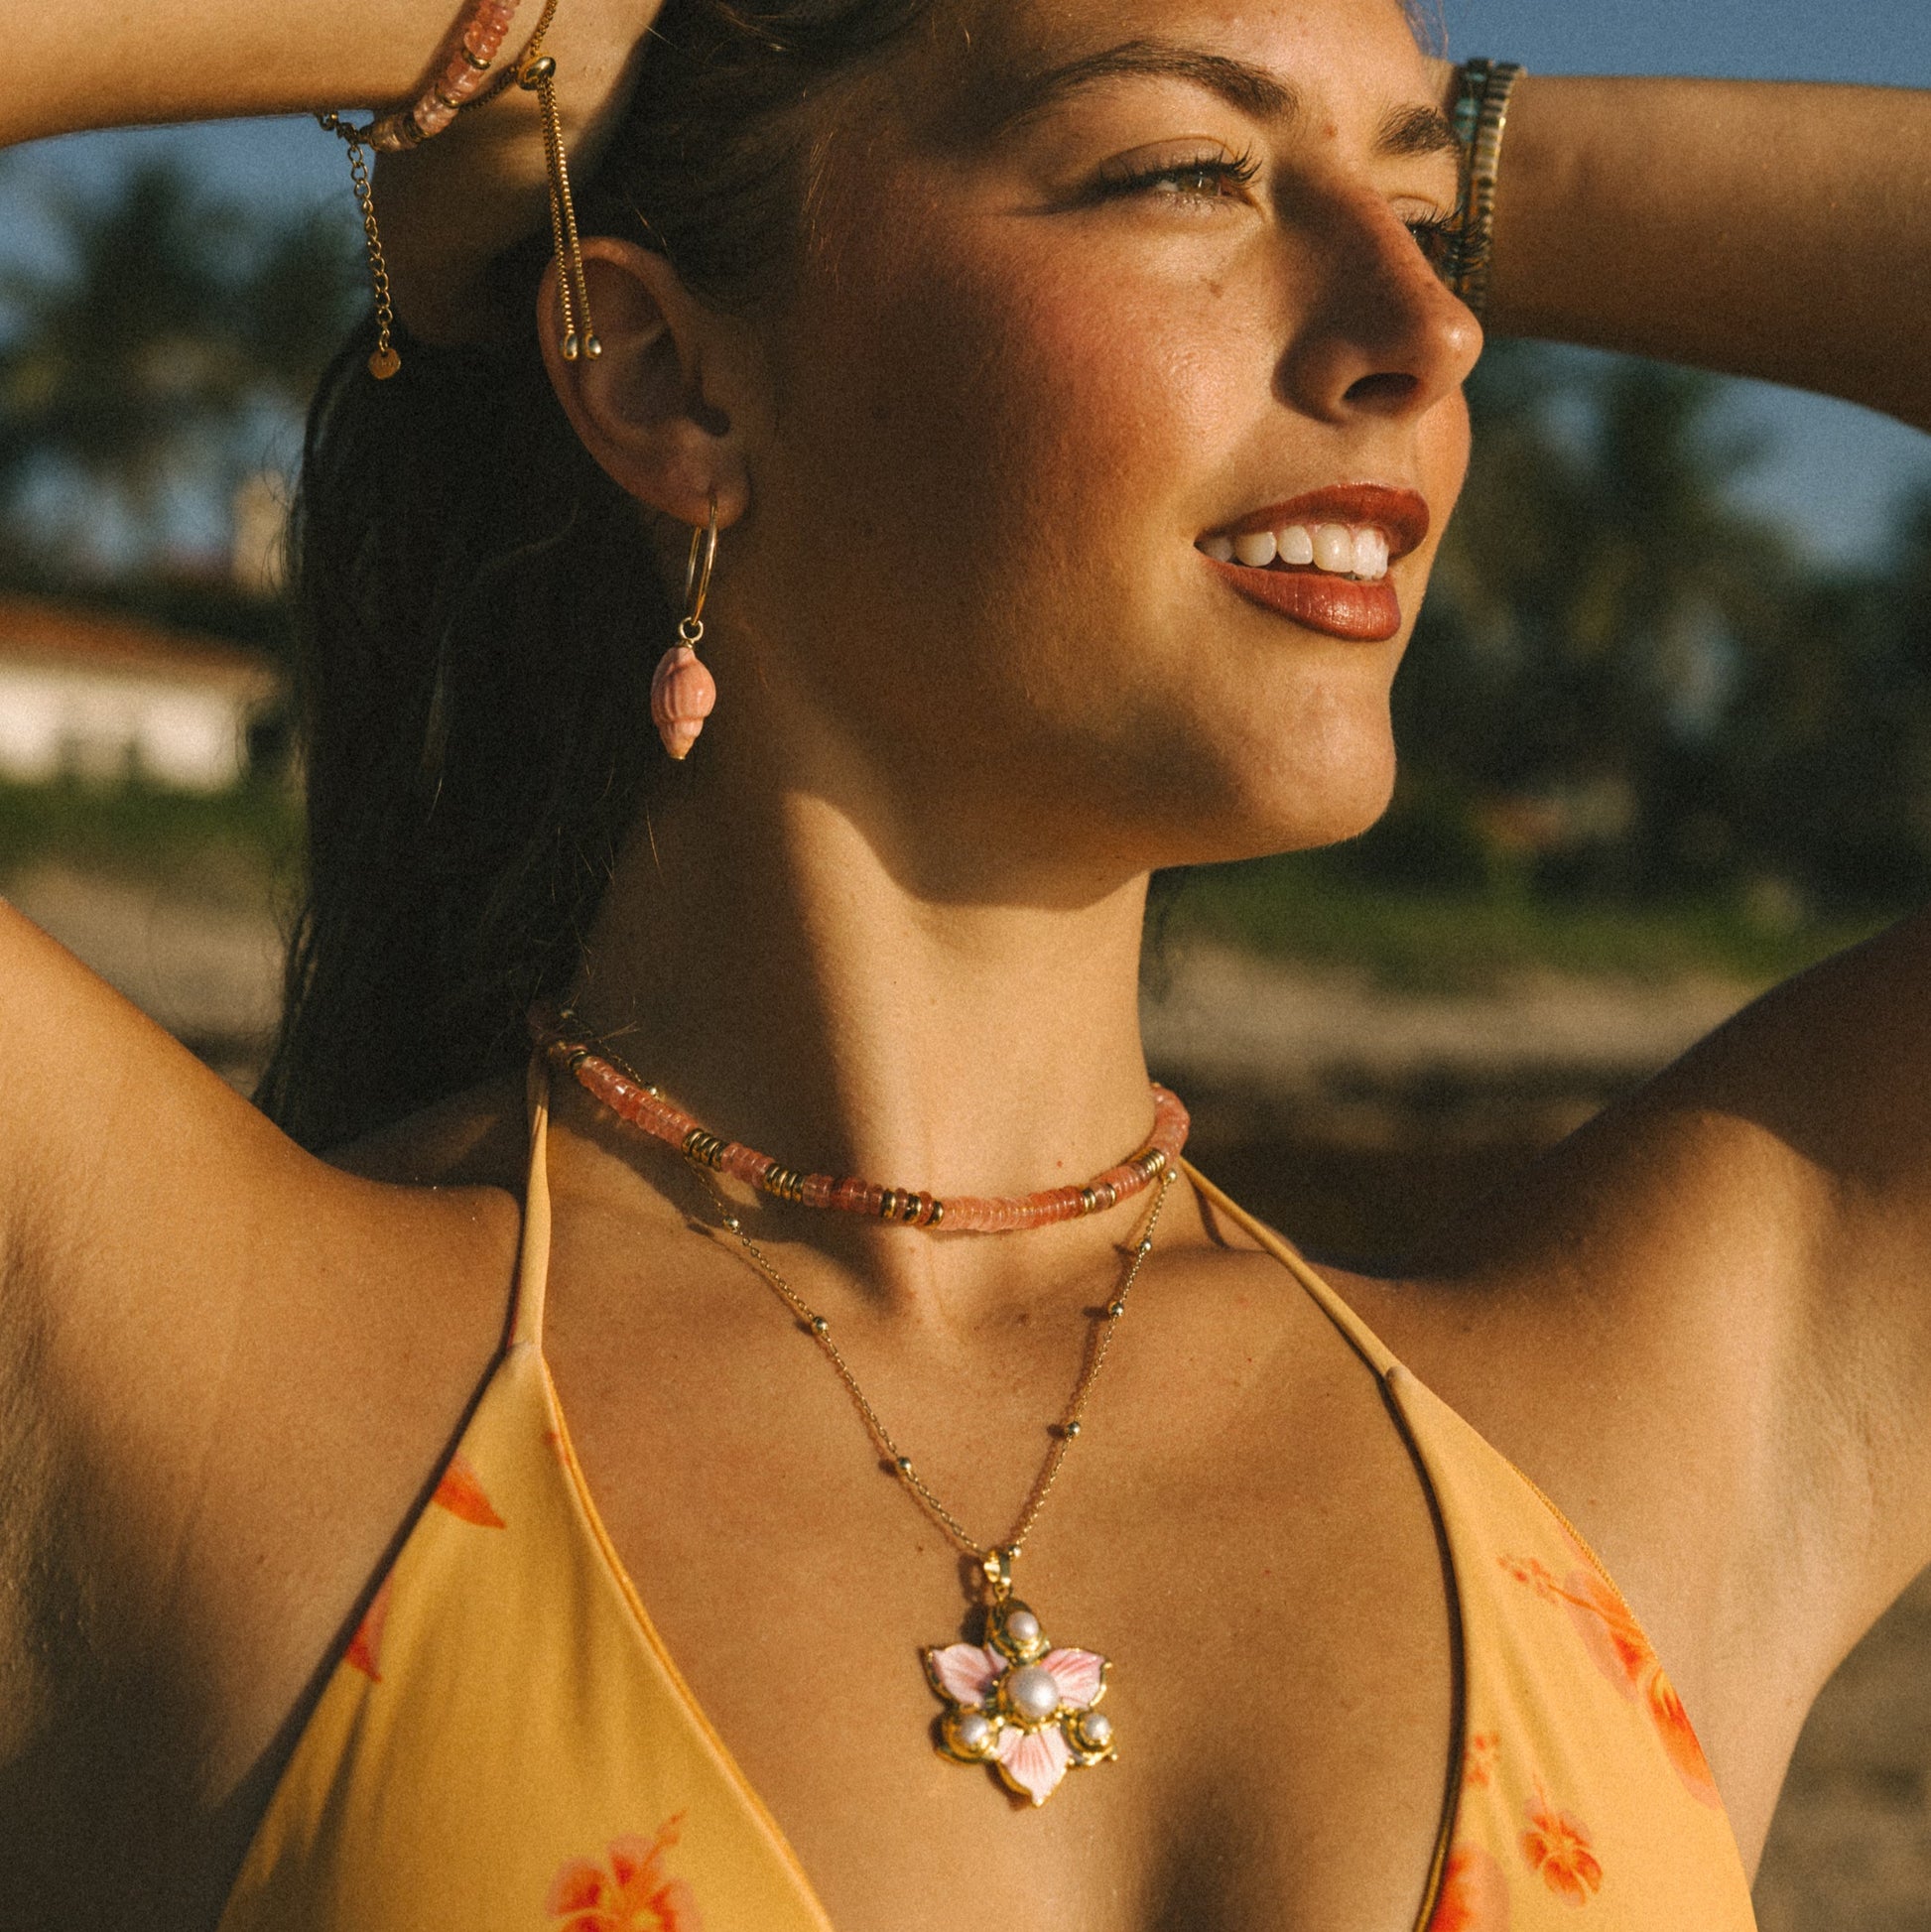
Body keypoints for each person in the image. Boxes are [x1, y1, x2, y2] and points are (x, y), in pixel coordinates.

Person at [2, 0, 1927, 1925]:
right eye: (1184, 175)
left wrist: (1480, 157)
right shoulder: (183, 1371)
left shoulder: (1633, 1424)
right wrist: (495, 26)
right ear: (666, 372)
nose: (1430, 332)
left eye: (1433, 232)